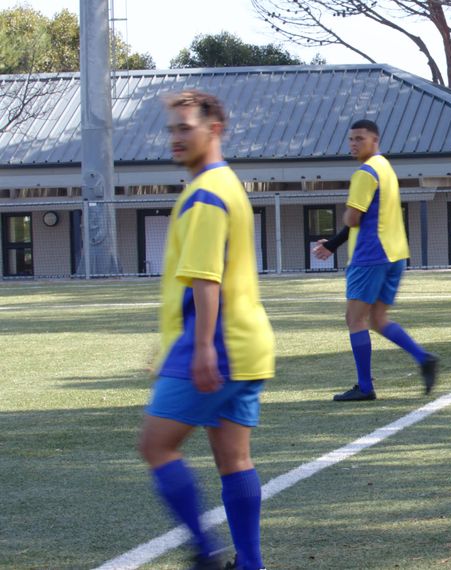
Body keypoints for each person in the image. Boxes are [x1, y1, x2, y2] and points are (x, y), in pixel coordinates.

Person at [138, 90, 274, 570]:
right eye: (172, 129)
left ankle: (206, 550)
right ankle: (250, 563)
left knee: (155, 445)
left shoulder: (205, 195)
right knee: (234, 459)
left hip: (217, 344)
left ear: (214, 129)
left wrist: (199, 351)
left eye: (185, 128)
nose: (176, 138)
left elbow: (205, 278)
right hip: (246, 343)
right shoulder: (227, 182)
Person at [312, 119, 438, 402]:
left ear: (374, 140)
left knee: (354, 319)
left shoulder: (365, 172)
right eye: (351, 139)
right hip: (395, 254)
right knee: (378, 320)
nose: (353, 144)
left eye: (359, 138)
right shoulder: (386, 168)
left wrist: (341, 224)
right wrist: (332, 245)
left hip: (370, 255)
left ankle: (365, 387)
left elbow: (353, 218)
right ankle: (423, 358)